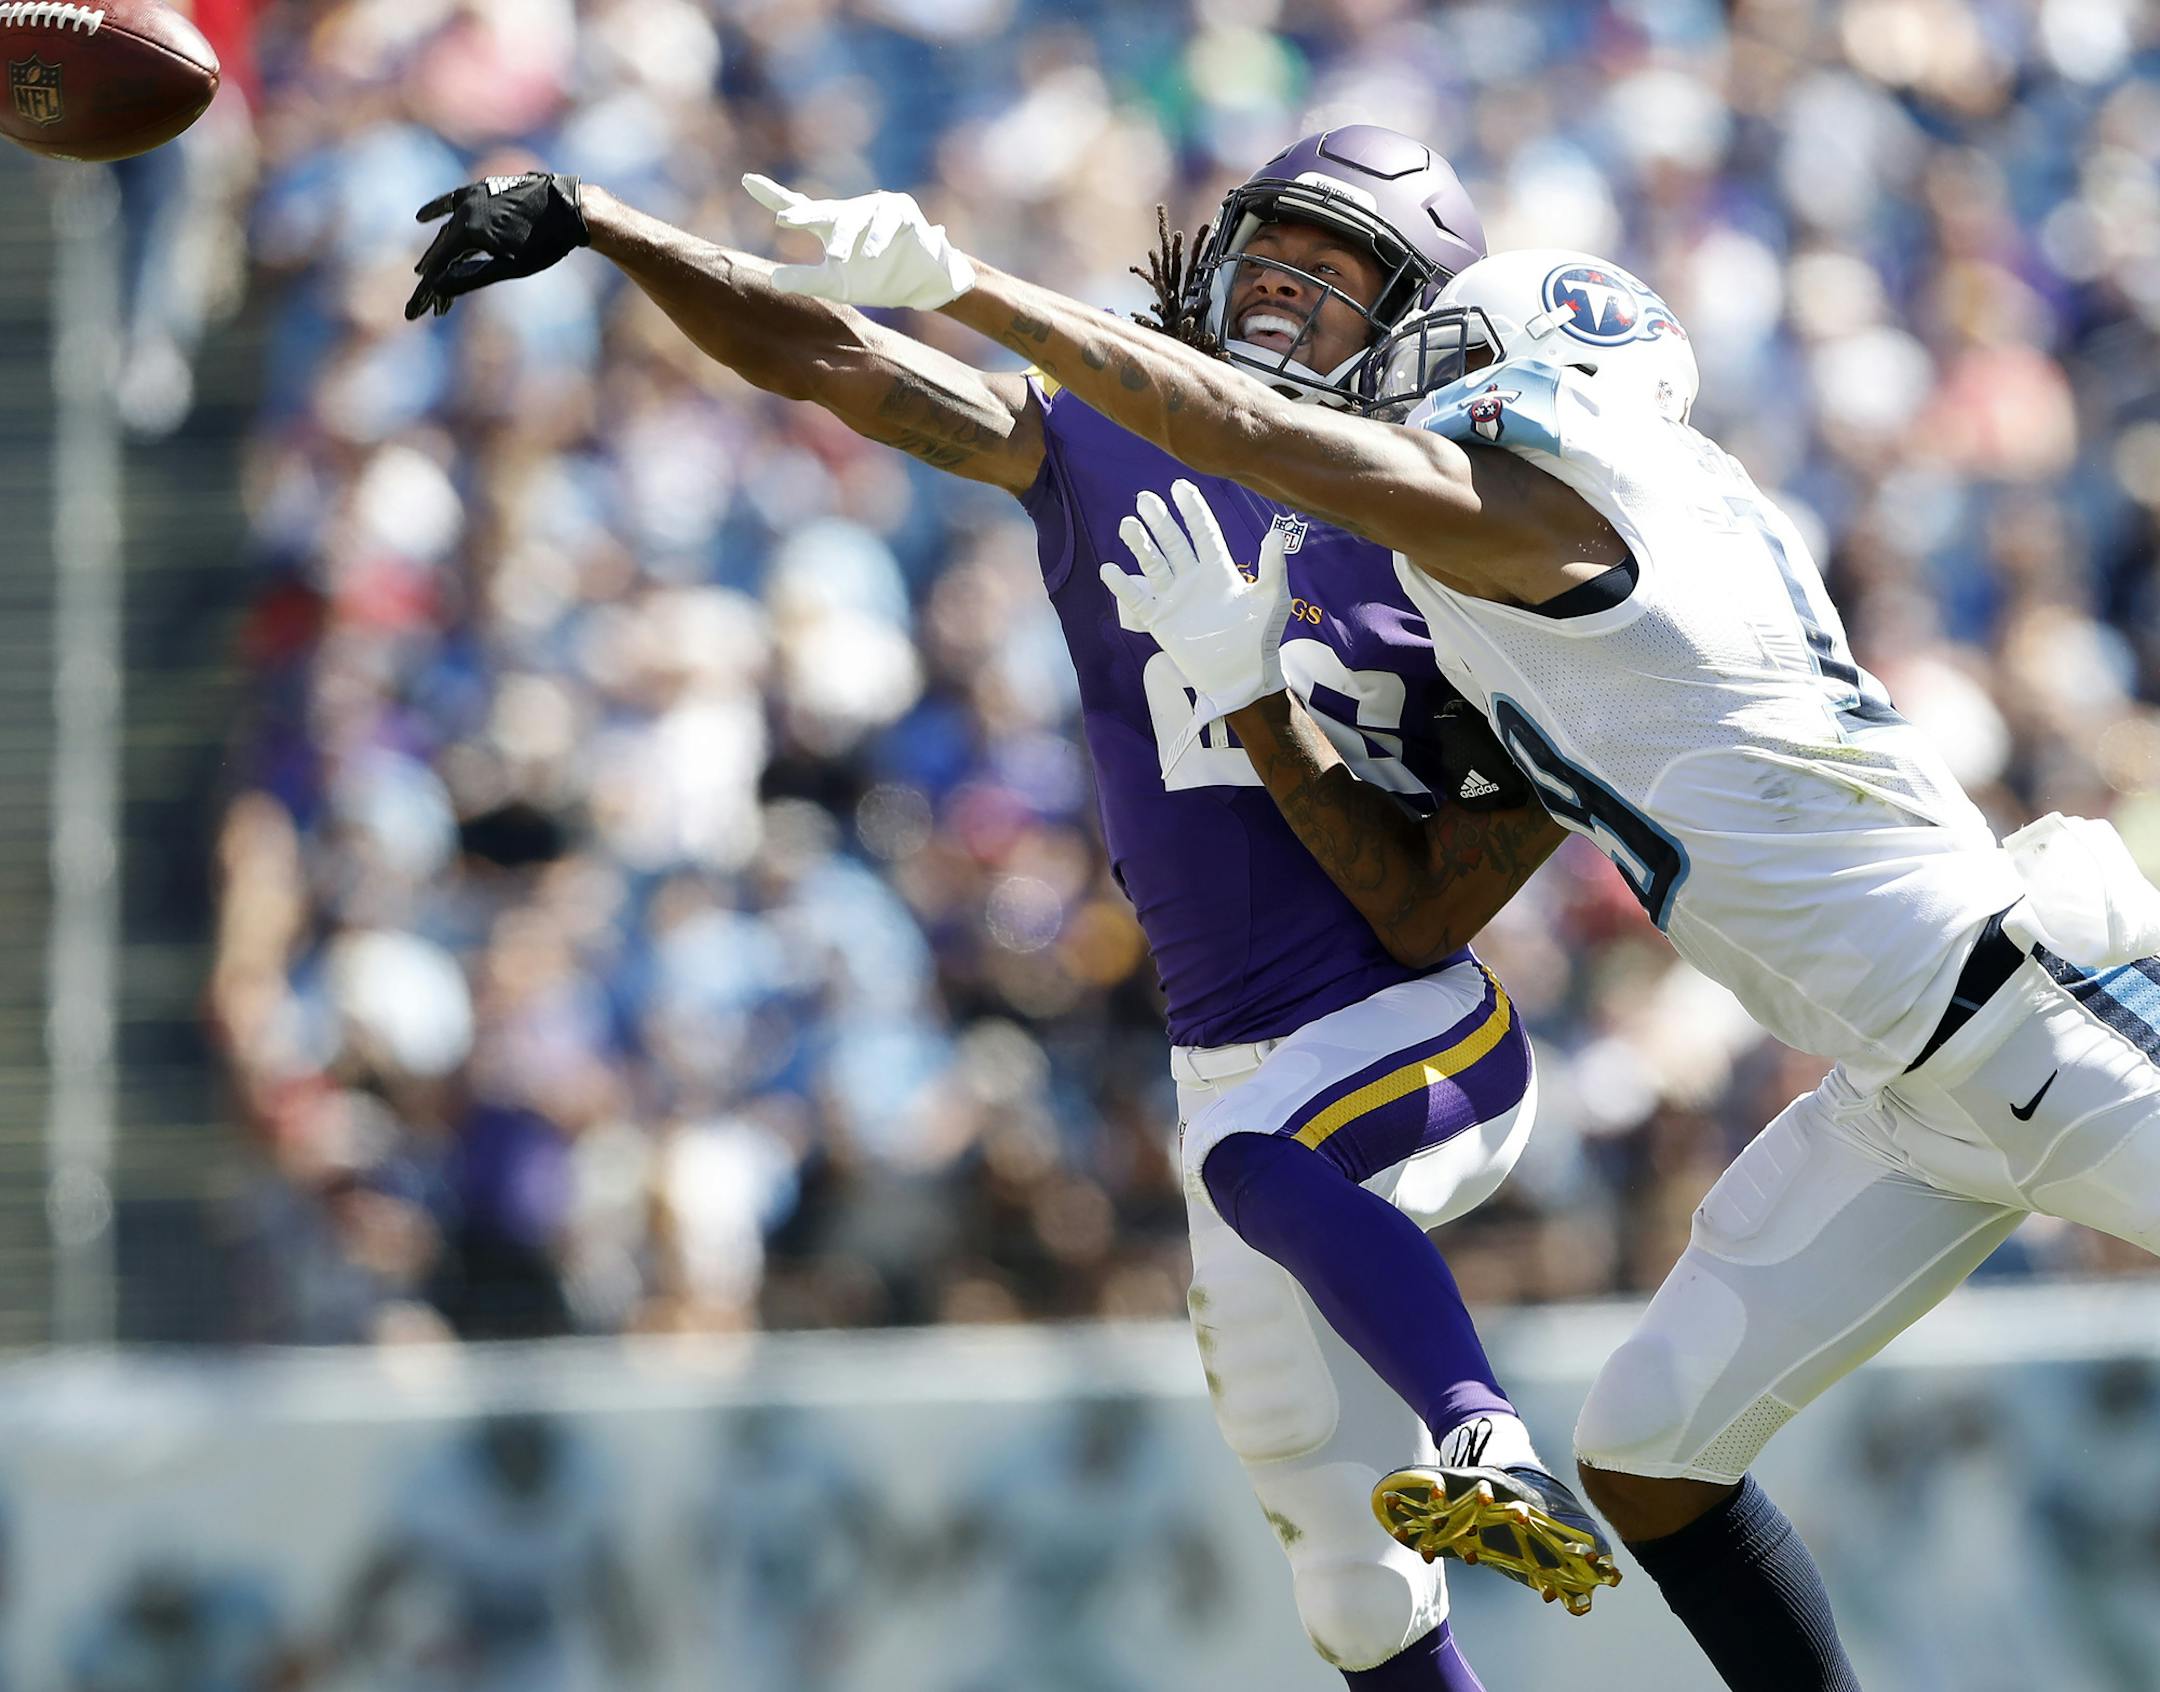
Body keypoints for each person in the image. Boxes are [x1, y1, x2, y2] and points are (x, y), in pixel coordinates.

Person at [750, 189, 2160, 1692]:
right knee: (1650, 1455)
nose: (1409, 410)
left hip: (2039, 1016)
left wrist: (973, 284)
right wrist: (1255, 698)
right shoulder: (1534, 585)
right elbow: (1417, 900)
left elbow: (1263, 440)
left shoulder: (1562, 518)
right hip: (1903, 1089)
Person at [403, 129, 1618, 1687]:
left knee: (1270, 1161)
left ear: (1408, 328)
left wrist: (1261, 702)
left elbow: (1428, 914)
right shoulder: (1112, 437)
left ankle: (1484, 1436)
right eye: (1278, 251)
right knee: (1345, 1574)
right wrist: (608, 223)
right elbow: (836, 358)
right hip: (1226, 1060)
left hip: (1412, 1032)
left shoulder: (1459, 530)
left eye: (1338, 277)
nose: (1285, 295)